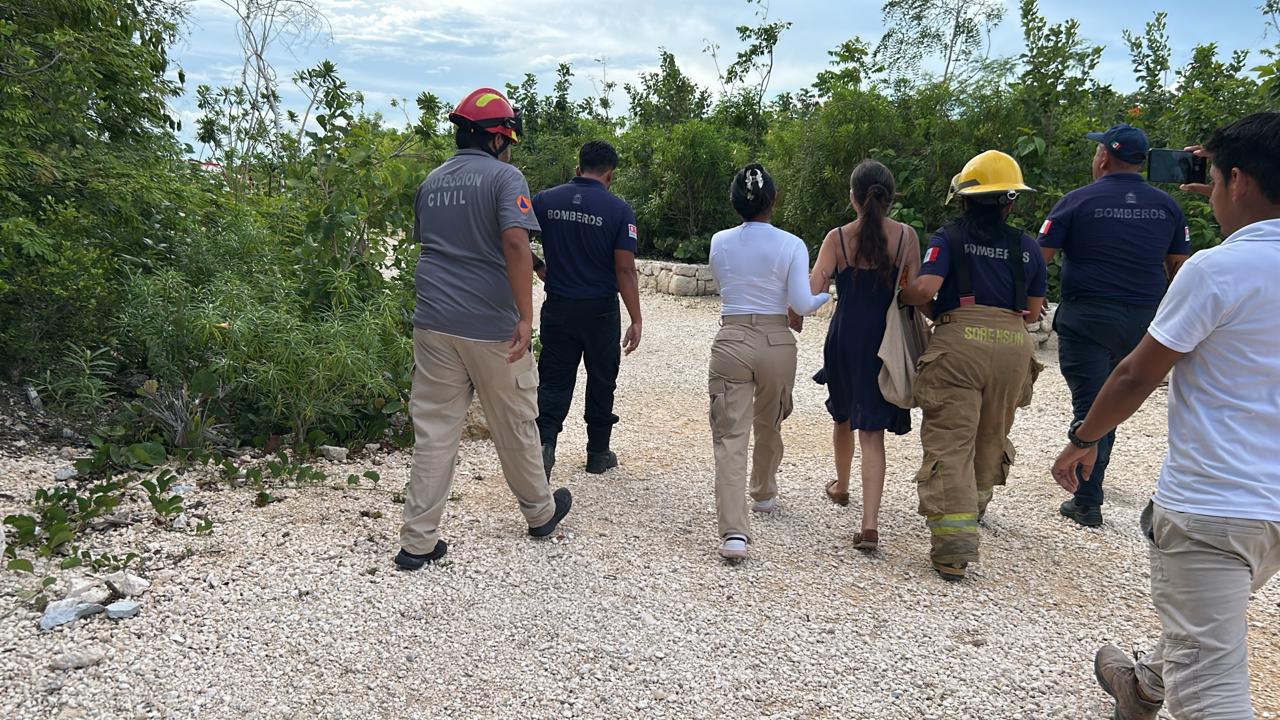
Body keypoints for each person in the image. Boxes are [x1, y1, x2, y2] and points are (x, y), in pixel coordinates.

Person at [1054, 112, 1280, 720]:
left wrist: (1084, 437)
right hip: (1273, 507)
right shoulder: (1190, 231)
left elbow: (1136, 374)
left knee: (1211, 689)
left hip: (1216, 505)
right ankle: (1144, 683)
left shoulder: (1218, 268)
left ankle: (1159, 683)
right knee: (1206, 620)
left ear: (1237, 179)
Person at [395, 87, 573, 570]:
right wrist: (526, 317)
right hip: (490, 327)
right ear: (497, 138)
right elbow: (512, 243)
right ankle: (540, 513)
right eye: (508, 141)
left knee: (435, 431)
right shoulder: (505, 177)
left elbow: (450, 242)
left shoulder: (431, 181)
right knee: (515, 421)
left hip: (433, 322)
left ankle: (417, 542)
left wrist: (533, 264)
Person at [900, 150, 1047, 581]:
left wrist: (912, 299)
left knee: (951, 439)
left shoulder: (948, 238)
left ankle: (954, 547)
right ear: (1010, 202)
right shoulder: (1027, 246)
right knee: (991, 433)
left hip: (959, 347)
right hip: (1012, 347)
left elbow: (925, 288)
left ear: (963, 199)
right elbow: (1033, 310)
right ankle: (975, 506)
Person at [1039, 124, 1190, 528]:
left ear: (1104, 157)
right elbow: (1180, 269)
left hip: (1087, 318)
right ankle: (1090, 485)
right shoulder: (1167, 206)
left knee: (1090, 405)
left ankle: (1087, 500)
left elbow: (1039, 259)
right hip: (1143, 322)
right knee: (1113, 400)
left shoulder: (1076, 201)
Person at [708, 163, 830, 561]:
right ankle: (763, 492)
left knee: (730, 435)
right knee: (770, 419)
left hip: (732, 338)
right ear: (773, 199)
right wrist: (825, 294)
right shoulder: (792, 244)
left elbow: (723, 285)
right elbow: (802, 304)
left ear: (734, 201)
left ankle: (734, 533)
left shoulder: (719, 242)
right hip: (778, 341)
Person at [808, 160, 919, 551]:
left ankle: (841, 486)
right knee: (872, 434)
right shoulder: (906, 237)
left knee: (843, 415)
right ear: (890, 197)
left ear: (853, 197)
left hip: (844, 337)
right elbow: (912, 291)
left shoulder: (837, 238)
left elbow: (814, 288)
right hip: (883, 340)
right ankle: (869, 525)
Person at [533, 141, 643, 479]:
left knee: (553, 380)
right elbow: (625, 269)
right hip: (600, 311)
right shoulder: (619, 210)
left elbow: (510, 236)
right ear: (610, 175)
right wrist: (636, 318)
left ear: (578, 169)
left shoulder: (544, 201)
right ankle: (597, 453)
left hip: (559, 305)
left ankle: (544, 446)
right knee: (601, 379)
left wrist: (538, 267)